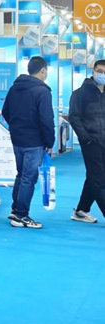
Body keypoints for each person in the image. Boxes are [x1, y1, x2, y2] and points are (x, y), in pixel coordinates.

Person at [2, 56, 55, 229]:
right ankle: (21, 215)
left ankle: (15, 209)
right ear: (43, 71)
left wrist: (16, 127)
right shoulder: (42, 91)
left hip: (17, 139)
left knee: (21, 175)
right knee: (28, 178)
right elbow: (46, 120)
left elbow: (5, 112)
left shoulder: (15, 88)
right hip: (34, 141)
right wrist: (49, 142)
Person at [68, 59, 105, 223]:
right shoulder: (80, 93)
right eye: (100, 71)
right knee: (98, 179)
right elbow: (74, 117)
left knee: (94, 176)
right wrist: (85, 138)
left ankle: (81, 210)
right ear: (93, 72)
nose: (102, 75)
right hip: (91, 142)